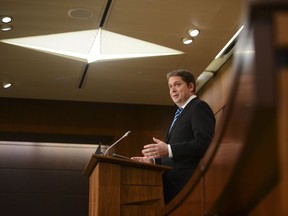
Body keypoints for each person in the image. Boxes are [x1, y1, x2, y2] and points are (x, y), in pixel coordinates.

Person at [131, 69, 215, 204]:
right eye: (170, 86)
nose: (173, 90)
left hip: (188, 185)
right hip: (174, 185)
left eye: (177, 85)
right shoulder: (180, 113)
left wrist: (169, 149)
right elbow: (178, 158)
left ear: (191, 86)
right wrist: (154, 162)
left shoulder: (198, 107)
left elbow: (204, 143)